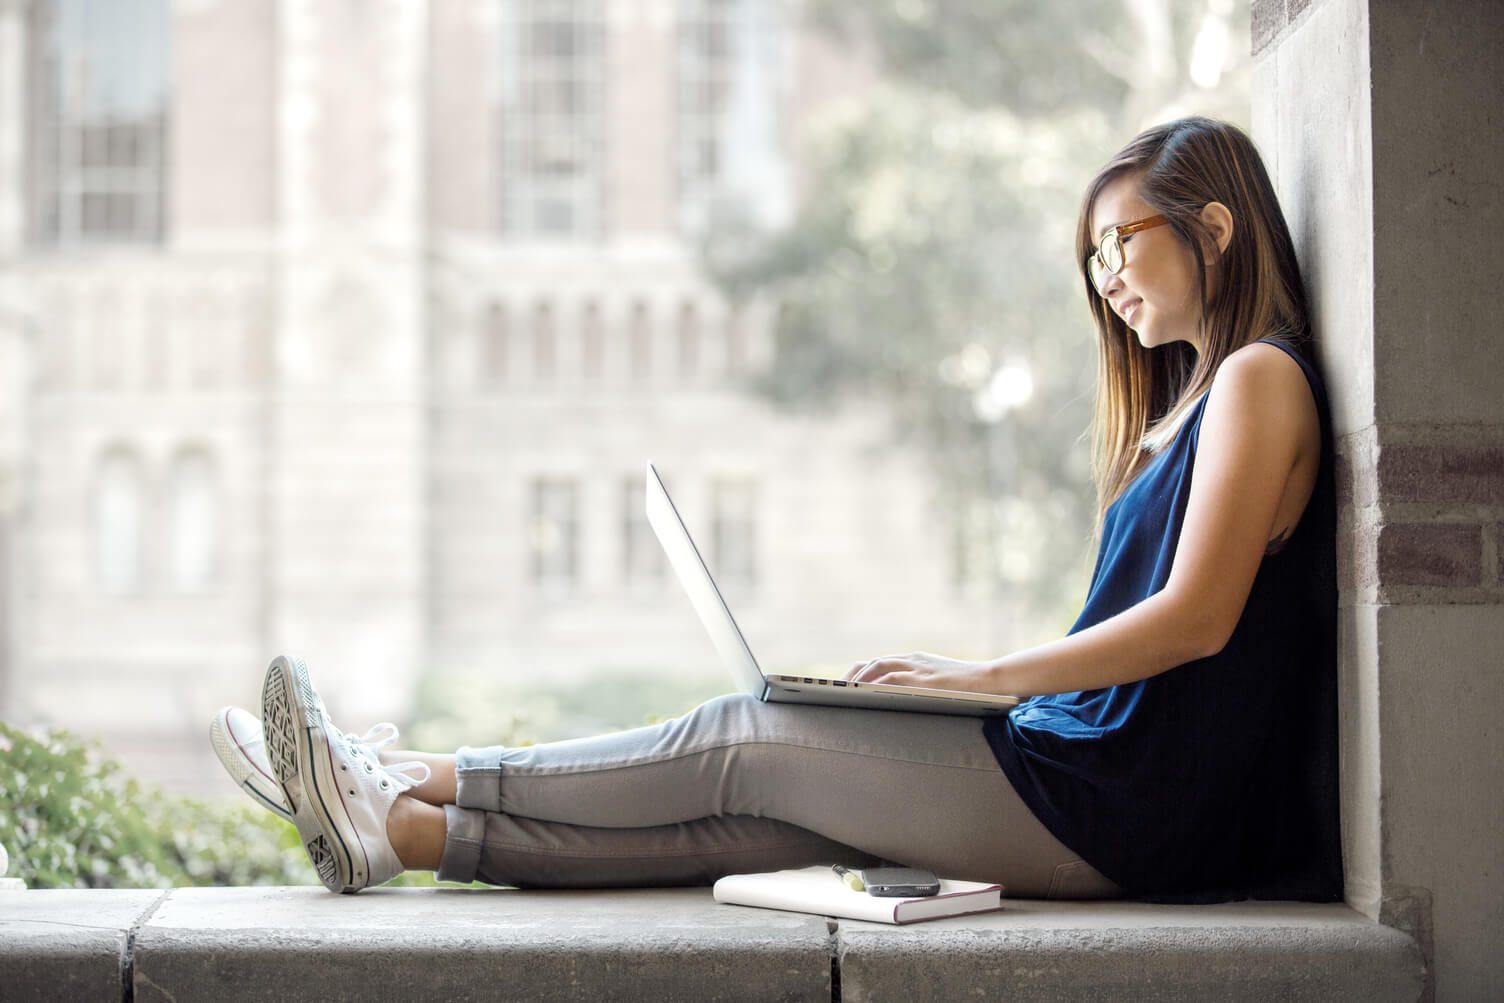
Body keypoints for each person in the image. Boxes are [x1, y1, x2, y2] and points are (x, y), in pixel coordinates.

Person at [212, 117, 1341, 902]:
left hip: (1125, 808)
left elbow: (1197, 619)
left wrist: (982, 678)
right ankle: (401, 837)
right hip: (1092, 777)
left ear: (1218, 227)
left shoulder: (1257, 378)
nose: (1104, 274)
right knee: (760, 828)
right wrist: (963, 683)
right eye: (1091, 254)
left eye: (1123, 240)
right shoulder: (1194, 401)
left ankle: (402, 776)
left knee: (744, 734)